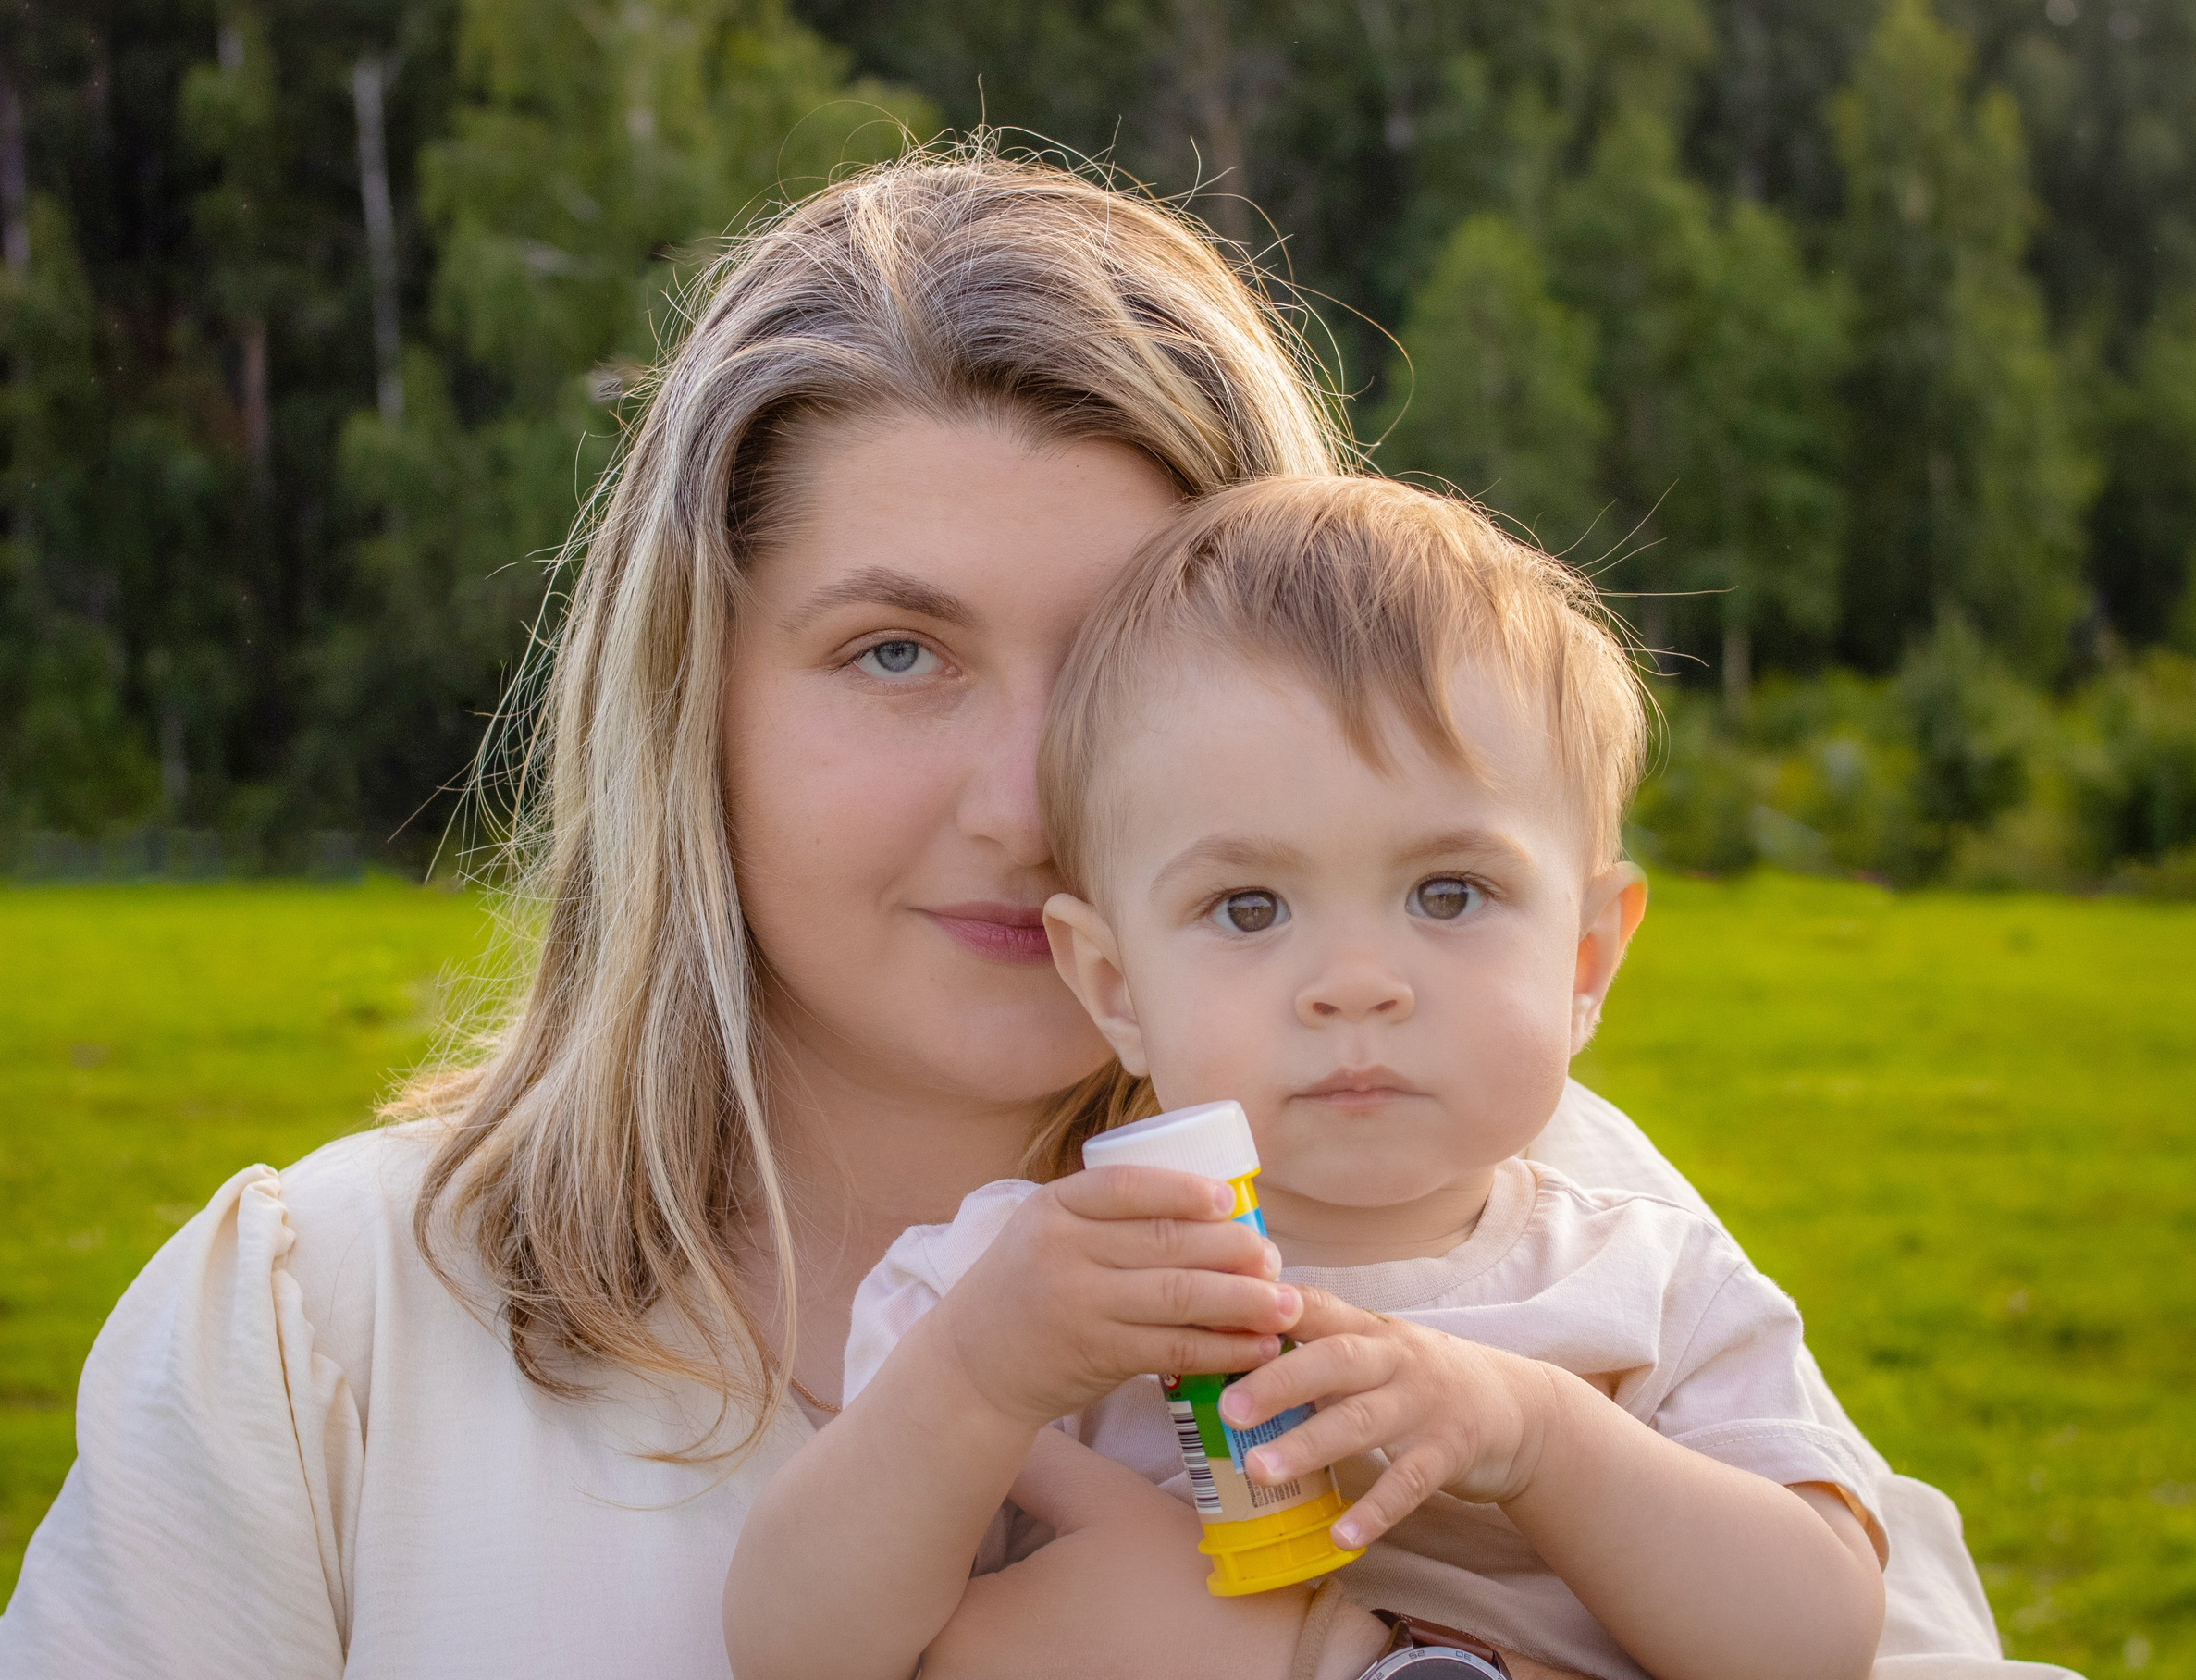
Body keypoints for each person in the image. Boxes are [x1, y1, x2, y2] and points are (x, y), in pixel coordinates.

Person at [0, 148, 2043, 1680]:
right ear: (696, 712)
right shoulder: (322, 1333)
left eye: (1119, 663)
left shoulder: (1549, 1221)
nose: (1030, 798)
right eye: (893, 652)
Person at [726, 476, 1888, 1680]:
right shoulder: (1030, 1290)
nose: (1352, 983)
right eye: (1248, 906)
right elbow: (795, 1650)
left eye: (1448, 893)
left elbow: (1818, 1646)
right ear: (1115, 986)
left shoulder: (1653, 1290)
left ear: (1587, 956)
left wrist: (1540, 1438)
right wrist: (973, 1381)